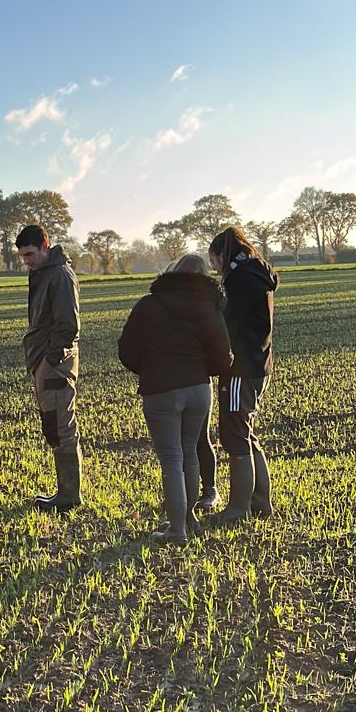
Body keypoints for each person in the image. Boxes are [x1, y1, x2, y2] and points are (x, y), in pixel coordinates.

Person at [118, 255, 233, 544]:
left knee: (171, 459)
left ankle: (177, 530)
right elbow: (223, 356)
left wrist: (149, 369)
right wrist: (200, 370)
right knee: (190, 453)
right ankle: (190, 518)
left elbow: (126, 350)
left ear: (171, 273)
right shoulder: (210, 307)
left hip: (160, 389)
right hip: (198, 388)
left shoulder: (149, 304)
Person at [207, 226, 278, 522]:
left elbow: (227, 325)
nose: (215, 269)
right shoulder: (257, 273)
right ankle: (260, 500)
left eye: (214, 262)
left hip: (241, 369)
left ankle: (239, 508)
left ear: (223, 255)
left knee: (235, 436)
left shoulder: (240, 281)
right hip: (259, 365)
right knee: (246, 435)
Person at [15, 223, 83, 512]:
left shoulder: (59, 275)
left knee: (61, 426)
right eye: (22, 257)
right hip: (43, 358)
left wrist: (50, 360)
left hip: (54, 362)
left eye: (30, 254)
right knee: (52, 425)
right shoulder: (43, 272)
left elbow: (68, 326)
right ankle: (64, 491)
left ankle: (69, 495)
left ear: (46, 245)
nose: (26, 261)